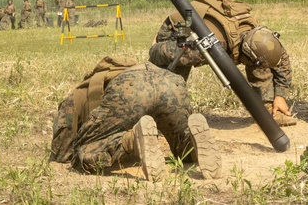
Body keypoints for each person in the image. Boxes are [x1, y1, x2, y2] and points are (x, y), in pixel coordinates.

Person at [51, 58, 221, 180]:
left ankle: (131, 140)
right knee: (182, 149)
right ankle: (191, 138)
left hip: (130, 88)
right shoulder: (126, 69)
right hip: (170, 81)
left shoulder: (82, 90)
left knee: (83, 154)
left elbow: (61, 151)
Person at [148, 0, 296, 126]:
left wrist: (280, 96)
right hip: (179, 28)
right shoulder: (204, 48)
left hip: (220, 29)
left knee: (261, 61)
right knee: (173, 79)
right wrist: (156, 47)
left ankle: (268, 109)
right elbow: (162, 52)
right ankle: (158, 117)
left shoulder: (262, 39)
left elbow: (281, 60)